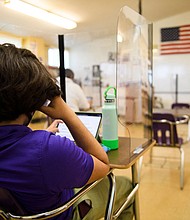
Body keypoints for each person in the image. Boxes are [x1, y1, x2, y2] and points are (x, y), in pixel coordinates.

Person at [0, 43, 134, 220]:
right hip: (63, 213)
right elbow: (103, 165)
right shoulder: (47, 150)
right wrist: (66, 114)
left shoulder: (41, 147)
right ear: (33, 101)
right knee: (126, 186)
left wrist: (41, 136)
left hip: (20, 211)